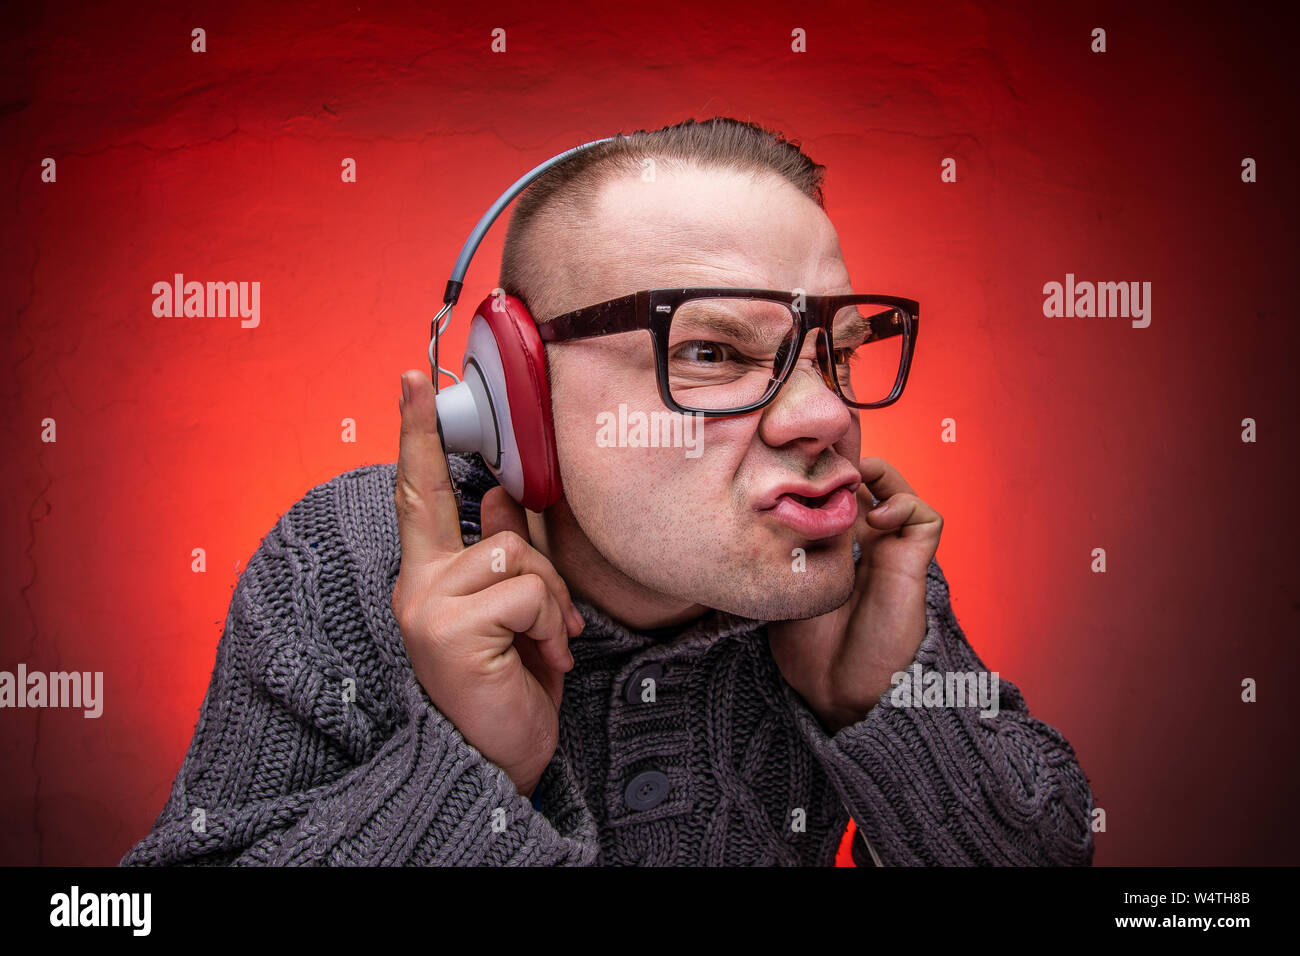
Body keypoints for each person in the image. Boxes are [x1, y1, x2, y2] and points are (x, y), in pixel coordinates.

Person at [121, 117, 1094, 866]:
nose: (824, 417)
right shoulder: (344, 559)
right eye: (712, 350)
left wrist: (883, 702)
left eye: (834, 355)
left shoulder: (847, 556)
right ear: (517, 397)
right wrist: (471, 767)